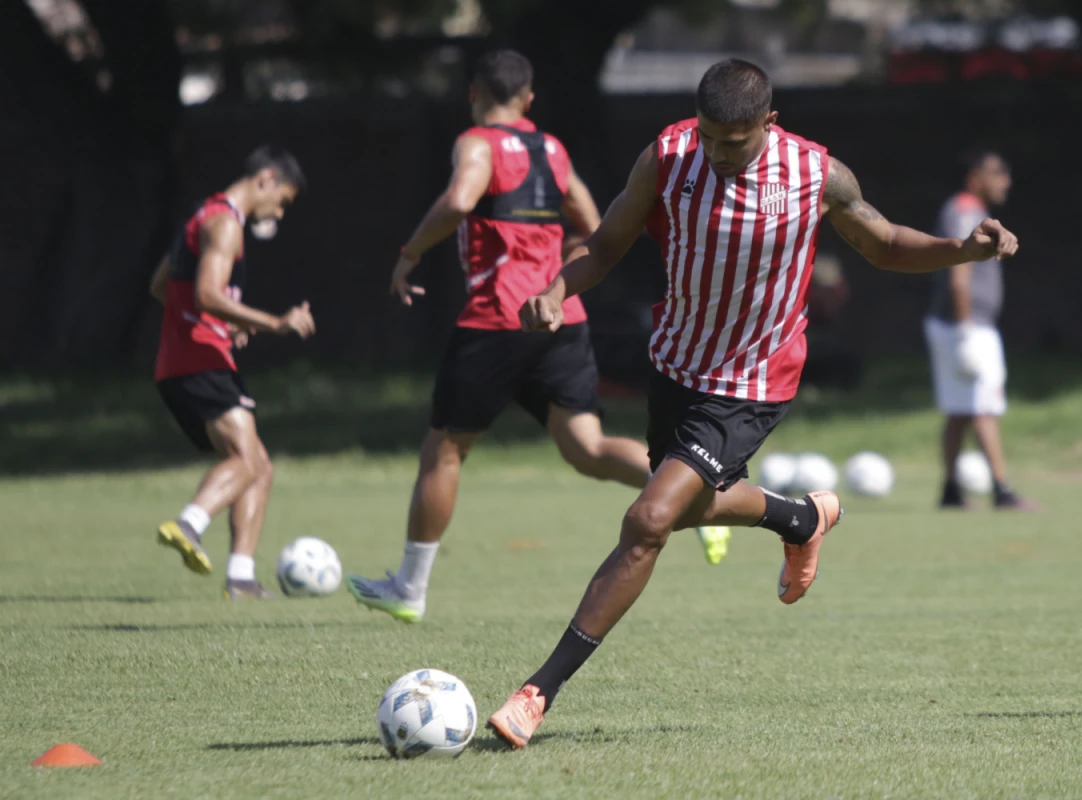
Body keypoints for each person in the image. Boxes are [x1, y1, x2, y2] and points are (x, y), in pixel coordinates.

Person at [486, 59, 1019, 748]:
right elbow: (609, 243)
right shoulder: (669, 155)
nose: (718, 153)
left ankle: (537, 692)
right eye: (710, 137)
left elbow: (883, 244)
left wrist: (961, 251)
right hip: (678, 365)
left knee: (649, 517)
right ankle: (801, 518)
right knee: (691, 506)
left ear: (770, 124)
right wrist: (560, 289)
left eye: (733, 143)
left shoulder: (815, 174)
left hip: (754, 379)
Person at [344, 50, 732, 625]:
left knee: (444, 450)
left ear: (474, 92)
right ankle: (690, 498)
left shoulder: (476, 142)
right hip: (560, 318)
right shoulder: (551, 150)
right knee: (590, 449)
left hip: (496, 320)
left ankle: (410, 586)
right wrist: (561, 266)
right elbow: (592, 220)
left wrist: (410, 254)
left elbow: (458, 199)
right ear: (528, 100)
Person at [151, 145, 316, 599]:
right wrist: (271, 322)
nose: (279, 213)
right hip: (201, 360)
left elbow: (161, 285)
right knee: (245, 460)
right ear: (264, 178)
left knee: (259, 466)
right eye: (281, 200)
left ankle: (241, 577)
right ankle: (189, 523)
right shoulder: (225, 222)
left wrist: (227, 322)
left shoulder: (200, 215)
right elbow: (206, 293)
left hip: (183, 359)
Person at [924, 152, 1036, 510]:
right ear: (975, 177)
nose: (1006, 180)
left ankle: (950, 490)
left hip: (960, 324)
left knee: (959, 410)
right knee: (983, 407)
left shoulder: (966, 209)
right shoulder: (966, 210)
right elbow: (960, 274)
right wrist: (966, 329)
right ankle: (1002, 490)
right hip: (966, 326)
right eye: (998, 173)